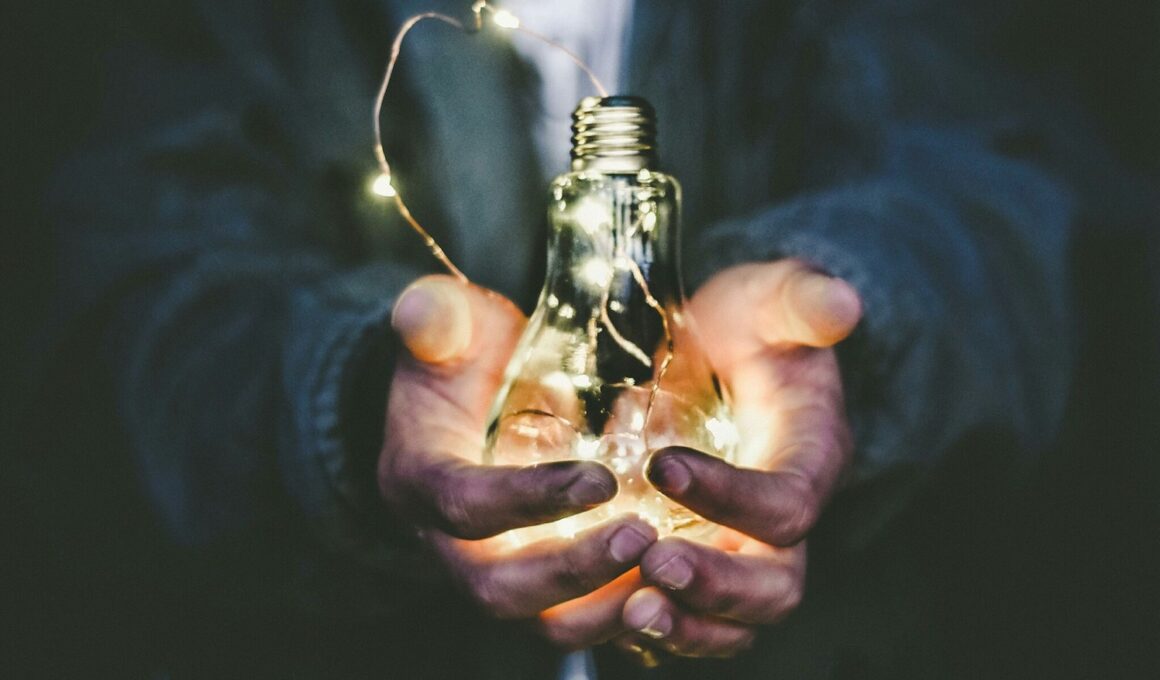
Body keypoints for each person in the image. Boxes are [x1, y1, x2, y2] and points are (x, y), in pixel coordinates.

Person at [36, 0, 1096, 676]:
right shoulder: (230, 32)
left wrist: (848, 332)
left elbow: (1009, 177)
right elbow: (110, 278)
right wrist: (354, 404)